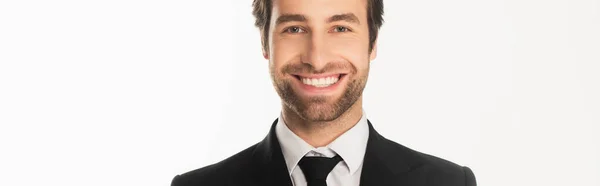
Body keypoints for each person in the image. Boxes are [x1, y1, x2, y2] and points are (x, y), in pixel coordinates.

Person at [171, 0, 476, 185]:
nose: (316, 59)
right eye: (294, 29)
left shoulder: (448, 183)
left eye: (341, 28)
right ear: (264, 43)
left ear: (372, 43)